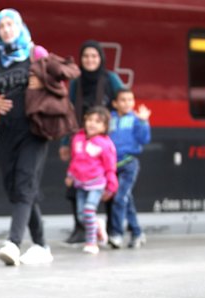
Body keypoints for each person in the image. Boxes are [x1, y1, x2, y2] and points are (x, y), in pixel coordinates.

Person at [0, 8, 53, 266]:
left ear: (20, 26)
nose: (6, 30)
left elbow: (57, 84)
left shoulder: (37, 53)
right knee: (16, 186)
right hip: (7, 130)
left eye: (11, 24)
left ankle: (13, 242)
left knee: (24, 183)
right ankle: (42, 245)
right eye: (2, 26)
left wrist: (41, 84)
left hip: (34, 130)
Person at [59, 40, 125, 245]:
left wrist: (117, 129)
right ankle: (81, 229)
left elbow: (123, 101)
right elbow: (68, 110)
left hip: (106, 142)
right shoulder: (77, 81)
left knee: (109, 187)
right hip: (80, 138)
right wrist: (65, 142)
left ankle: (114, 231)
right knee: (76, 185)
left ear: (101, 58)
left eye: (94, 56)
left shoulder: (110, 79)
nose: (90, 60)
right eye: (86, 56)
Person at [65, 106, 118, 255]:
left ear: (105, 126)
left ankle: (91, 242)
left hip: (97, 184)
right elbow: (74, 160)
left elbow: (110, 166)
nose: (92, 124)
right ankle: (98, 224)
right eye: (89, 119)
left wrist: (111, 186)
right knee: (82, 216)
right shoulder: (78, 138)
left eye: (98, 121)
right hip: (80, 183)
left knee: (88, 210)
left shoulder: (105, 144)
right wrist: (70, 175)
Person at [108, 88, 151, 249]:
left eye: (130, 100)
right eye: (123, 100)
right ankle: (137, 233)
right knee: (127, 201)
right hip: (112, 166)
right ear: (115, 103)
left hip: (128, 164)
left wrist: (143, 122)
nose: (127, 103)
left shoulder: (136, 119)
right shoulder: (110, 118)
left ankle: (117, 234)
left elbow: (144, 139)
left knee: (120, 199)